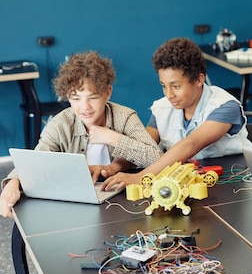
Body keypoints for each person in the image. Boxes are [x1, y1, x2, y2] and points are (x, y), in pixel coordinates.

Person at [0, 51, 163, 218]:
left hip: (121, 199)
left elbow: (157, 158)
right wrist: (13, 182)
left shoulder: (125, 117)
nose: (85, 107)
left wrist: (111, 137)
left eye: (92, 98)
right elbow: (36, 160)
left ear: (107, 93)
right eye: (76, 99)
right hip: (74, 201)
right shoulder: (60, 123)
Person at [102, 37, 252, 191]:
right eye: (163, 86)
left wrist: (141, 177)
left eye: (176, 86)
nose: (169, 95)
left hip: (235, 186)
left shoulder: (225, 106)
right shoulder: (162, 108)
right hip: (189, 186)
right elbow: (143, 148)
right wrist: (113, 167)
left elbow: (191, 144)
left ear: (199, 80)